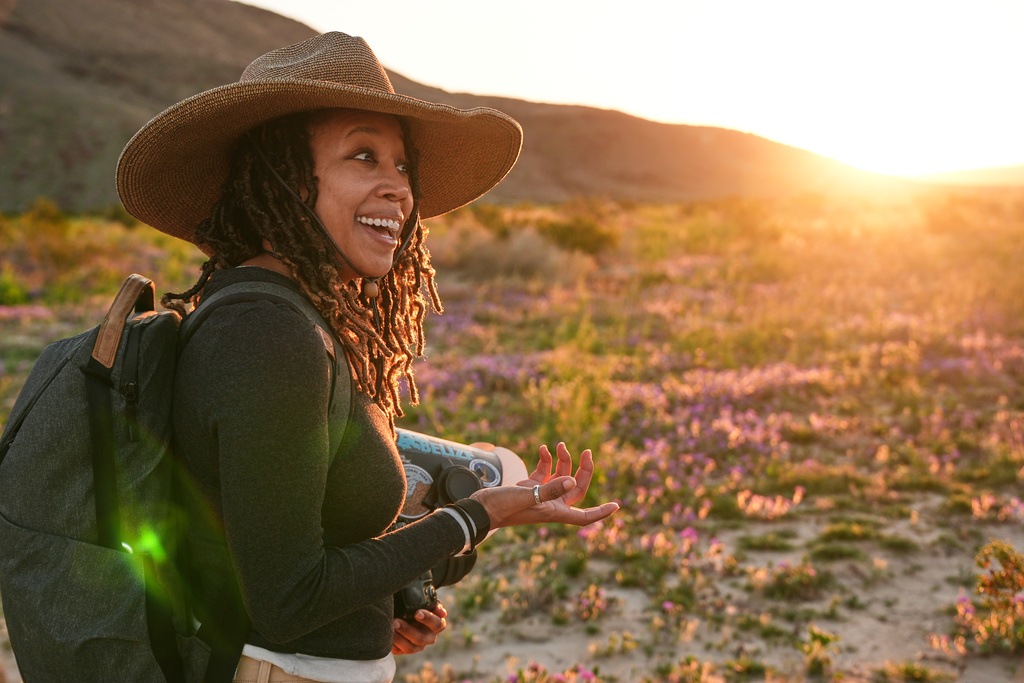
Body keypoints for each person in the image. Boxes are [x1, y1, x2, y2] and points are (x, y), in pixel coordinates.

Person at [116, 31, 619, 683]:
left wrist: (397, 596)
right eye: (363, 156)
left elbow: (305, 545)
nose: (399, 191)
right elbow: (289, 597)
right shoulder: (265, 333)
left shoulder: (295, 318)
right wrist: (472, 515)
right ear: (288, 180)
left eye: (402, 165)